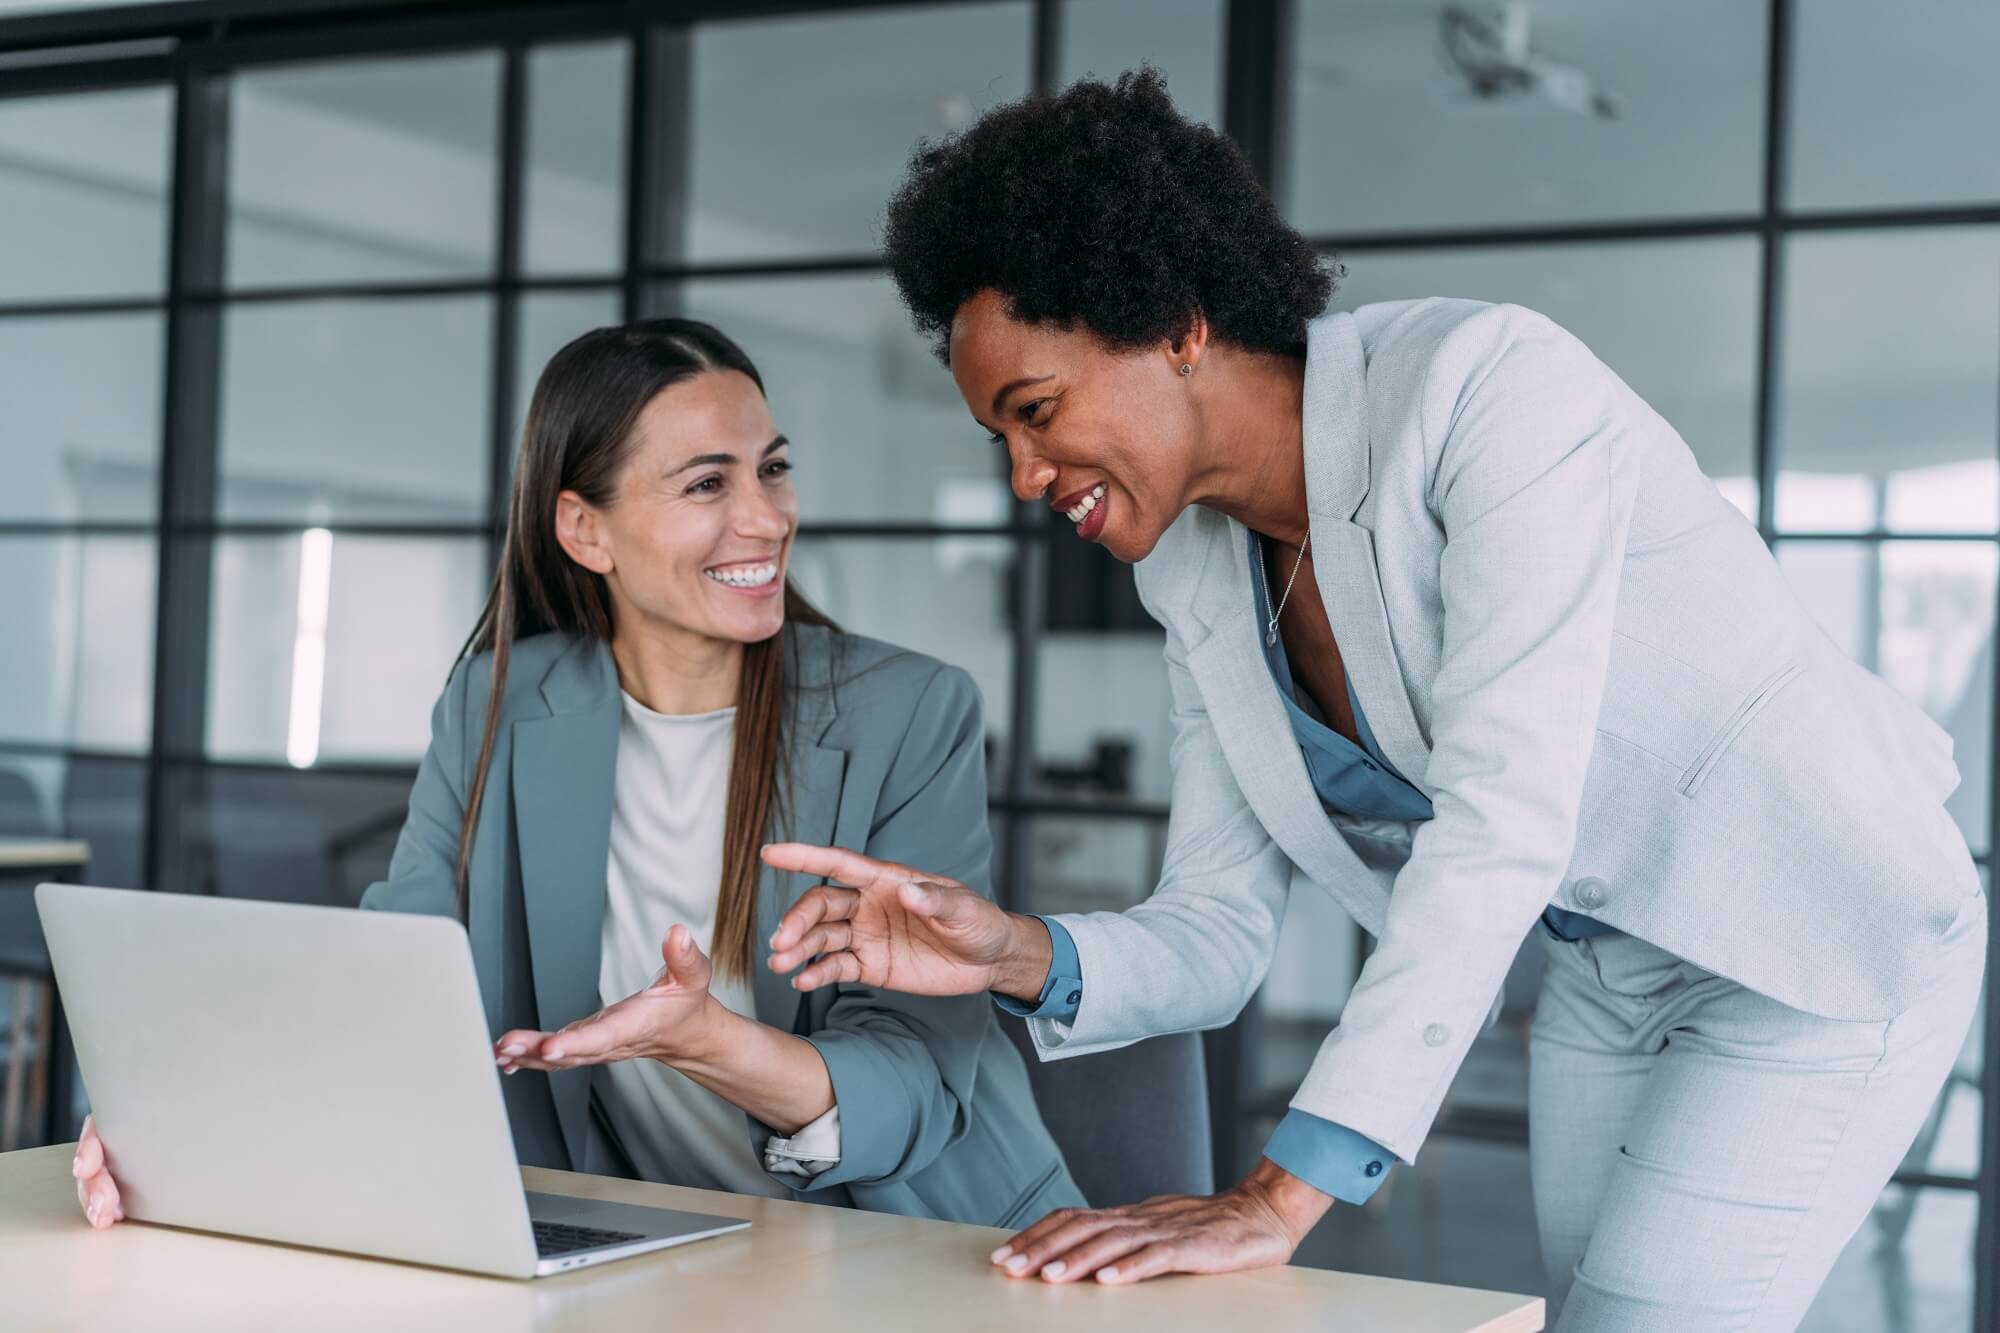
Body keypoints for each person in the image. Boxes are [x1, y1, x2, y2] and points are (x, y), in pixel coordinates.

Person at [759, 70, 1987, 1328]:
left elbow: (1502, 815)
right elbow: (1217, 928)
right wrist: (1006, 950)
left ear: (1176, 323)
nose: (1022, 475)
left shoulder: (1484, 391)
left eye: (1036, 411)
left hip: (1812, 924)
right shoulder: (1194, 569)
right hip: (1604, 976)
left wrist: (1277, 1195)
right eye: (998, 440)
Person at [72, 318, 1081, 1231]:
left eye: (770, 469)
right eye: (706, 483)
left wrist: (709, 1042)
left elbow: (916, 1076)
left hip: (919, 1245)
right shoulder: (497, 703)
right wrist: (179, 1129)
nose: (767, 517)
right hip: (640, 1248)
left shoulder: (906, 710)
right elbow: (395, 986)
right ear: (582, 528)